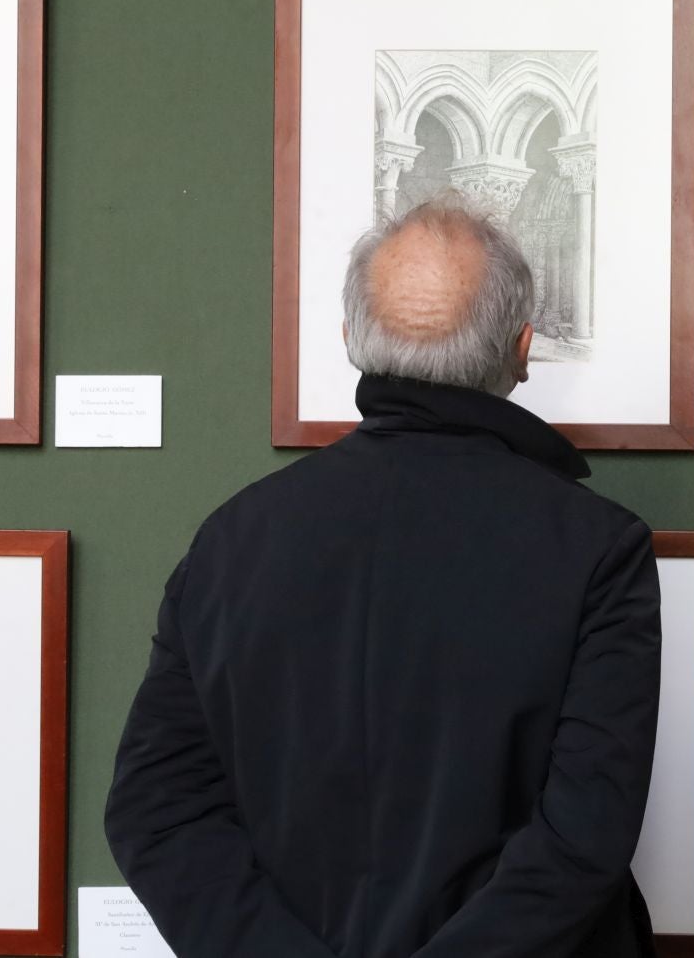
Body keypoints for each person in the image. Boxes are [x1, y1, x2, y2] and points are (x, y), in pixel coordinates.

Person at [104, 196, 663, 958]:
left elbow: (158, 812)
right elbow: (583, 835)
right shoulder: (599, 546)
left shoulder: (233, 539)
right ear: (523, 348)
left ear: (350, 342)